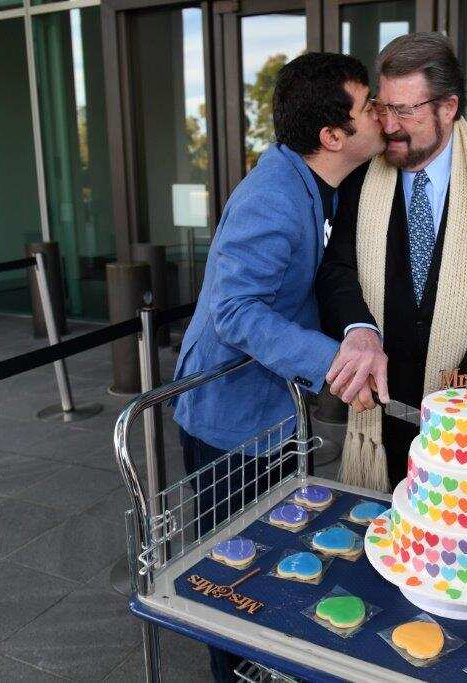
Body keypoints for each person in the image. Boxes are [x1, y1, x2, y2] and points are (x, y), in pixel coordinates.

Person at [171, 52, 384, 682]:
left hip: (267, 410)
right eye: (368, 104)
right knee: (230, 567)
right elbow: (234, 312)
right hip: (227, 418)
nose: (381, 114)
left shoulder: (315, 183)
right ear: (333, 135)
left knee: (274, 554)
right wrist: (334, 361)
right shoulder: (273, 195)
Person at [316, 32, 467, 491]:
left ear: (448, 107)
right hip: (380, 409)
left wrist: (459, 393)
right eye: (383, 106)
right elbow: (337, 271)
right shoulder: (360, 178)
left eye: (406, 109)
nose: (390, 124)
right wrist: (358, 330)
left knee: (460, 547)